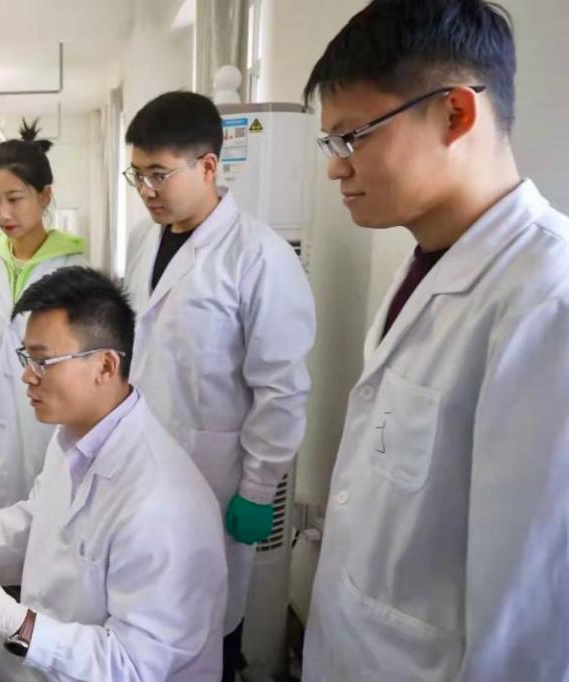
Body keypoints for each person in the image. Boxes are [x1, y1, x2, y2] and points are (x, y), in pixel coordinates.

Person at [301, 1, 569, 680]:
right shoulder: (426, 265)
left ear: (454, 113)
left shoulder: (548, 302)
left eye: (351, 136)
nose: (336, 168)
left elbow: (530, 623)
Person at [0, 266, 229, 681]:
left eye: (44, 361)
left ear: (105, 366)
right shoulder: (76, 436)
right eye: (27, 357)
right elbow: (37, 515)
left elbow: (134, 667)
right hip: (50, 654)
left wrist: (12, 620)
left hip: (103, 670)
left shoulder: (162, 504)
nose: (27, 375)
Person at [122, 90, 316, 678]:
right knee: (142, 621)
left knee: (209, 631)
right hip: (139, 468)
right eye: (137, 175)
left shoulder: (261, 256)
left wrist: (258, 491)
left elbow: (281, 390)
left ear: (208, 166)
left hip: (213, 479)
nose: (146, 190)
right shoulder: (143, 242)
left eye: (159, 174)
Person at [0, 120, 86, 572]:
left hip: (52, 427)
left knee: (50, 544)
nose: (3, 212)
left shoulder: (74, 267)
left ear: (44, 196)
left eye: (14, 198)